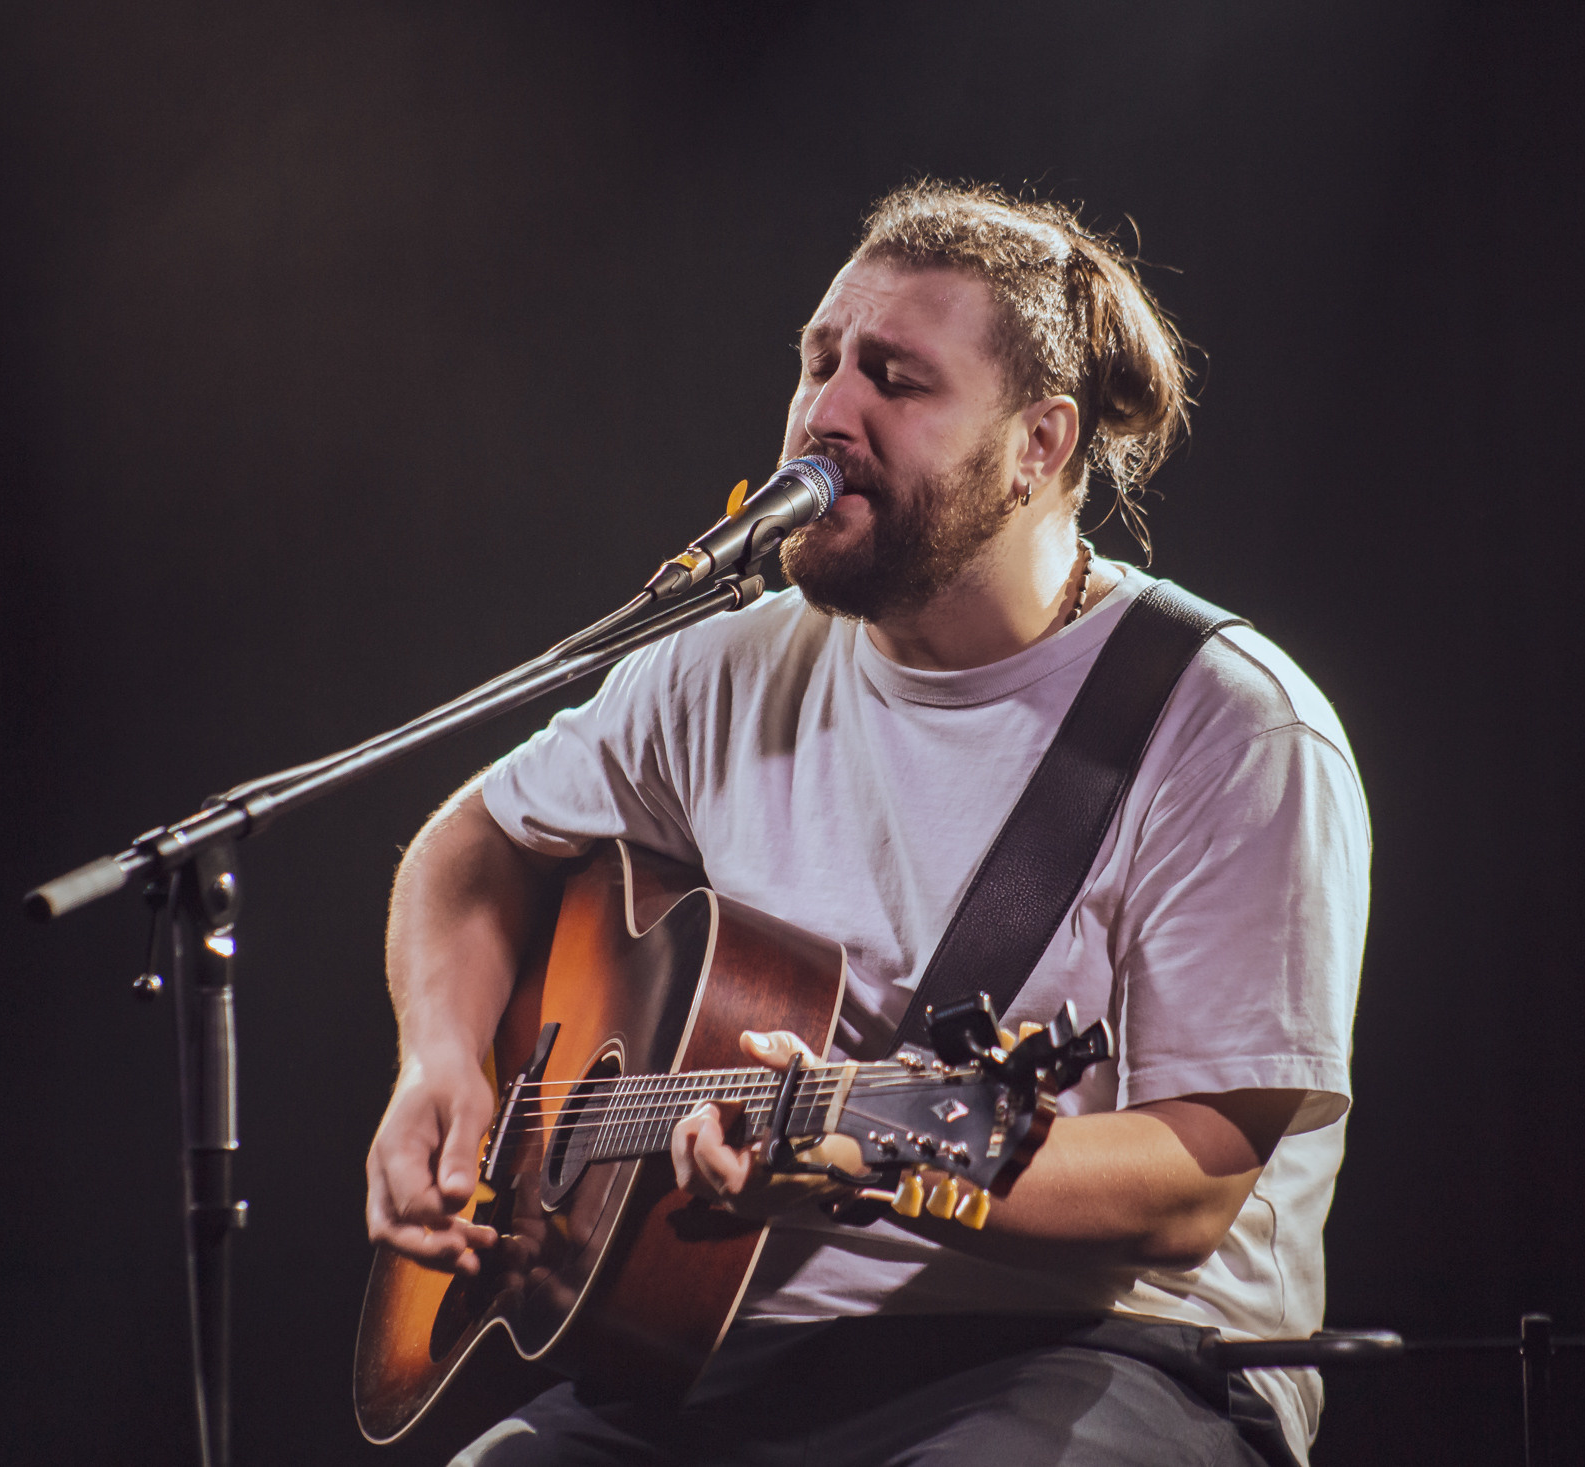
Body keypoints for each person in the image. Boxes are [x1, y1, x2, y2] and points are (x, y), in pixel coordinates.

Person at [365, 182, 1369, 1467]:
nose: (827, 413)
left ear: (1038, 443)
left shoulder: (1227, 724)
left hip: (1109, 1352)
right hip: (715, 1359)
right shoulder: (721, 669)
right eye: (819, 362)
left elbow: (1190, 1185)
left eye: (895, 379)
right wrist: (441, 1059)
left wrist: (870, 1156)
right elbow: (475, 841)